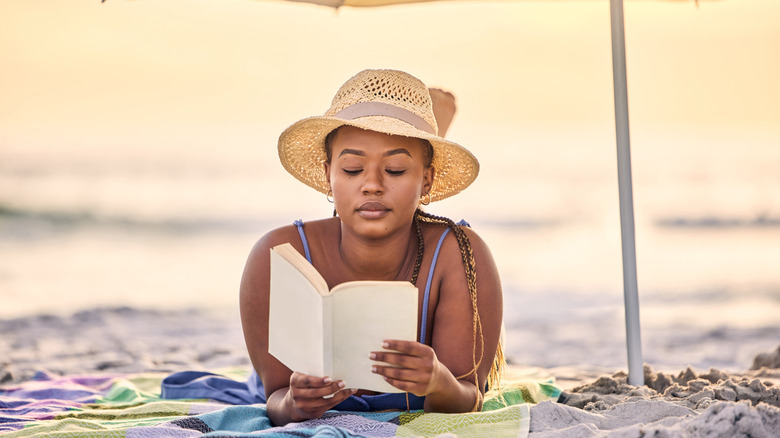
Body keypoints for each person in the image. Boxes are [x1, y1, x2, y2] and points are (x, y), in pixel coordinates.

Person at [239, 69, 504, 426]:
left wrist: (438, 382)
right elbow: (276, 398)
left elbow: (469, 398)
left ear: (427, 179)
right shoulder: (279, 252)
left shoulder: (458, 253)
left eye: (394, 169)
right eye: (352, 169)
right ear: (327, 175)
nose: (372, 185)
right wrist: (297, 405)